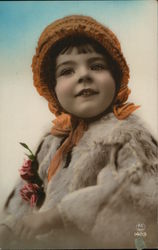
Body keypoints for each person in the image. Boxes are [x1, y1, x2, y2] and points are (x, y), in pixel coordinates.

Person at [0, 15, 157, 248]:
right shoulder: (52, 142)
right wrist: (10, 225)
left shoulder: (127, 136)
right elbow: (27, 191)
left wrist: (57, 216)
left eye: (97, 66)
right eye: (67, 71)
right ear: (52, 88)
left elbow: (136, 195)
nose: (84, 75)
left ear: (116, 77)